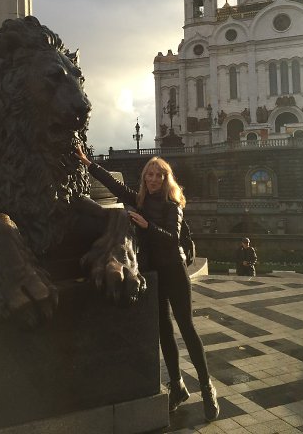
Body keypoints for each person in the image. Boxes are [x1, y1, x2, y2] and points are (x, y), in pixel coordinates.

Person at [75, 146, 219, 421]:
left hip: (174, 270)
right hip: (153, 271)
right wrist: (88, 163)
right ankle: (177, 386)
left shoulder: (173, 205)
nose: (153, 179)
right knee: (164, 330)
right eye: (149, 175)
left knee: (187, 328)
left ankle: (206, 387)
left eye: (158, 175)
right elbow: (114, 186)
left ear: (166, 179)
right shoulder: (140, 200)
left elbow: (172, 238)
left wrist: (145, 225)